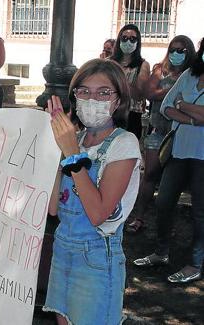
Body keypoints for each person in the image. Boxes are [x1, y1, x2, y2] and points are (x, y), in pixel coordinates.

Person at [43, 59, 141, 324]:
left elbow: (98, 213)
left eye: (103, 92)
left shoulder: (124, 144)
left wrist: (72, 156)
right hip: (63, 249)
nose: (92, 98)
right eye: (84, 91)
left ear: (118, 100)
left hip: (96, 256)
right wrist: (56, 151)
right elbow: (53, 208)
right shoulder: (75, 140)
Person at [133, 37, 204, 284]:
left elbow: (177, 104)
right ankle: (161, 252)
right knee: (163, 203)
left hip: (202, 158)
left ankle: (195, 263)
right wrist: (193, 117)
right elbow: (164, 106)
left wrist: (182, 105)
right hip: (179, 152)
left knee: (200, 213)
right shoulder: (188, 76)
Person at [126, 35, 196, 233]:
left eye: (181, 50)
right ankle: (139, 217)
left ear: (189, 52)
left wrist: (166, 93)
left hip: (182, 135)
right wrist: (174, 93)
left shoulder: (193, 74)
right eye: (173, 49)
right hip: (158, 131)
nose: (176, 54)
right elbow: (149, 93)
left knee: (175, 181)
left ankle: (166, 224)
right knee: (149, 175)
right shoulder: (160, 69)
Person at [110, 24, 150, 140]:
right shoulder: (109, 62)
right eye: (125, 38)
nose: (128, 42)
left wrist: (119, 76)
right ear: (119, 40)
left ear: (138, 42)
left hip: (131, 115)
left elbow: (139, 95)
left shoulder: (143, 65)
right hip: (109, 112)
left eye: (132, 39)